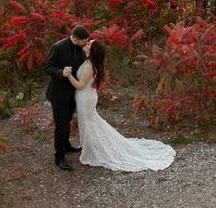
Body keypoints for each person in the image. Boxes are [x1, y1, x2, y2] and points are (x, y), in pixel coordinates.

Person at [66, 40, 175, 172]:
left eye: (89, 44)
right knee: (89, 122)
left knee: (88, 123)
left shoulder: (89, 65)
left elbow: (80, 85)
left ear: (92, 50)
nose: (86, 44)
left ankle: (92, 151)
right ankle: (89, 147)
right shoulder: (89, 62)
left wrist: (68, 75)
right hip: (86, 96)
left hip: (85, 97)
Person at [44, 25, 89, 171]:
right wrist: (61, 72)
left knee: (68, 120)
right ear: (75, 39)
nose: (86, 43)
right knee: (61, 125)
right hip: (58, 93)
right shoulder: (58, 47)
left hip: (73, 93)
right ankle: (59, 157)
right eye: (84, 41)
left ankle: (67, 145)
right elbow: (48, 67)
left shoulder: (80, 48)